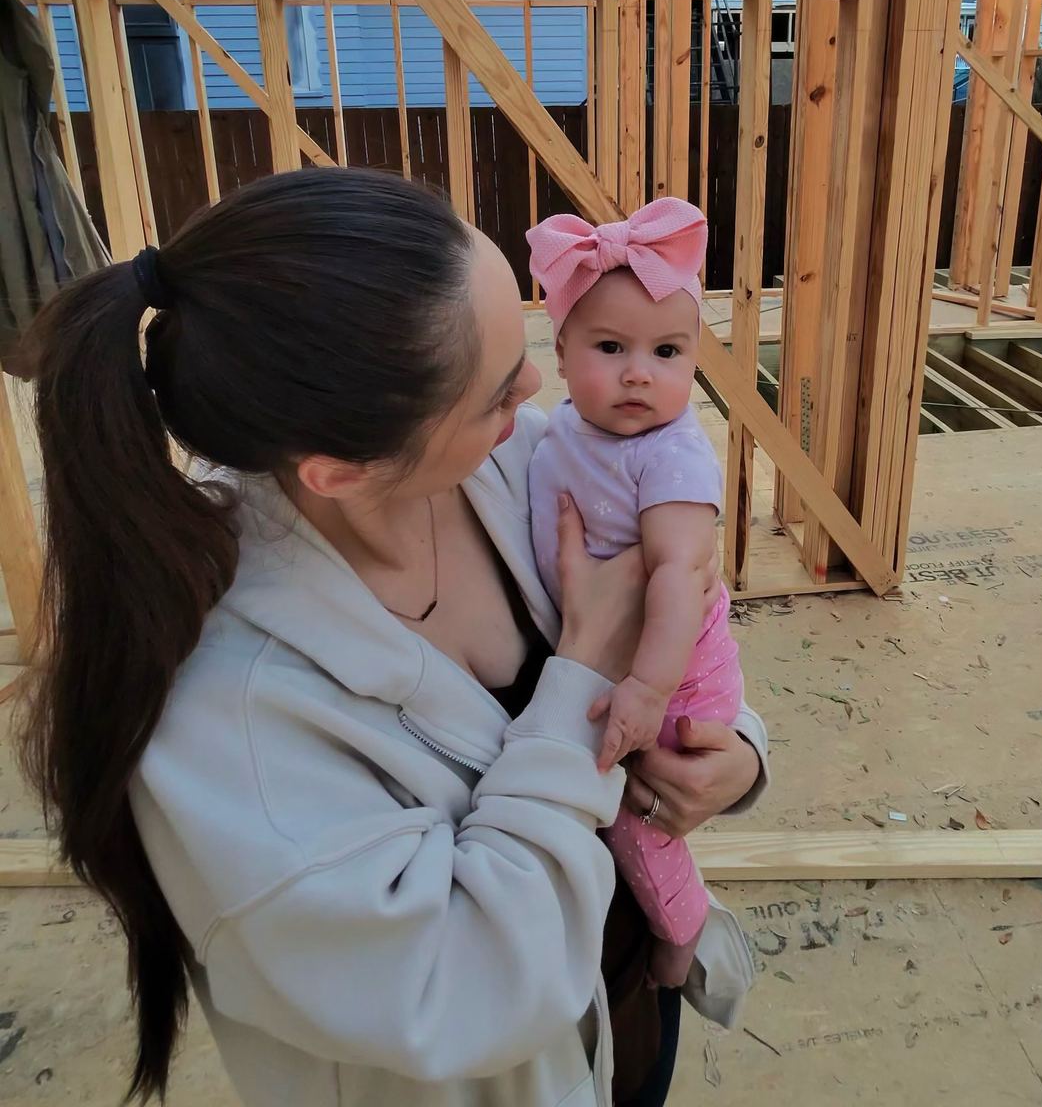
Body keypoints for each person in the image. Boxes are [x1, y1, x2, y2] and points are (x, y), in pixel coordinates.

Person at [18, 168, 767, 1107]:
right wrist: (580, 679)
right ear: (338, 472)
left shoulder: (519, 466)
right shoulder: (233, 712)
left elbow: (684, 615)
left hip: (618, 1027)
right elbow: (458, 987)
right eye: (497, 392)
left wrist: (734, 753)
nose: (538, 389)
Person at [527, 199, 743, 991]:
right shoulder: (560, 428)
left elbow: (682, 574)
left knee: (636, 820)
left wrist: (649, 688)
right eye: (610, 346)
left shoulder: (673, 455)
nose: (637, 373)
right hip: (618, 656)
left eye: (666, 351)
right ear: (560, 351)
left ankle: (681, 936)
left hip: (675, 668)